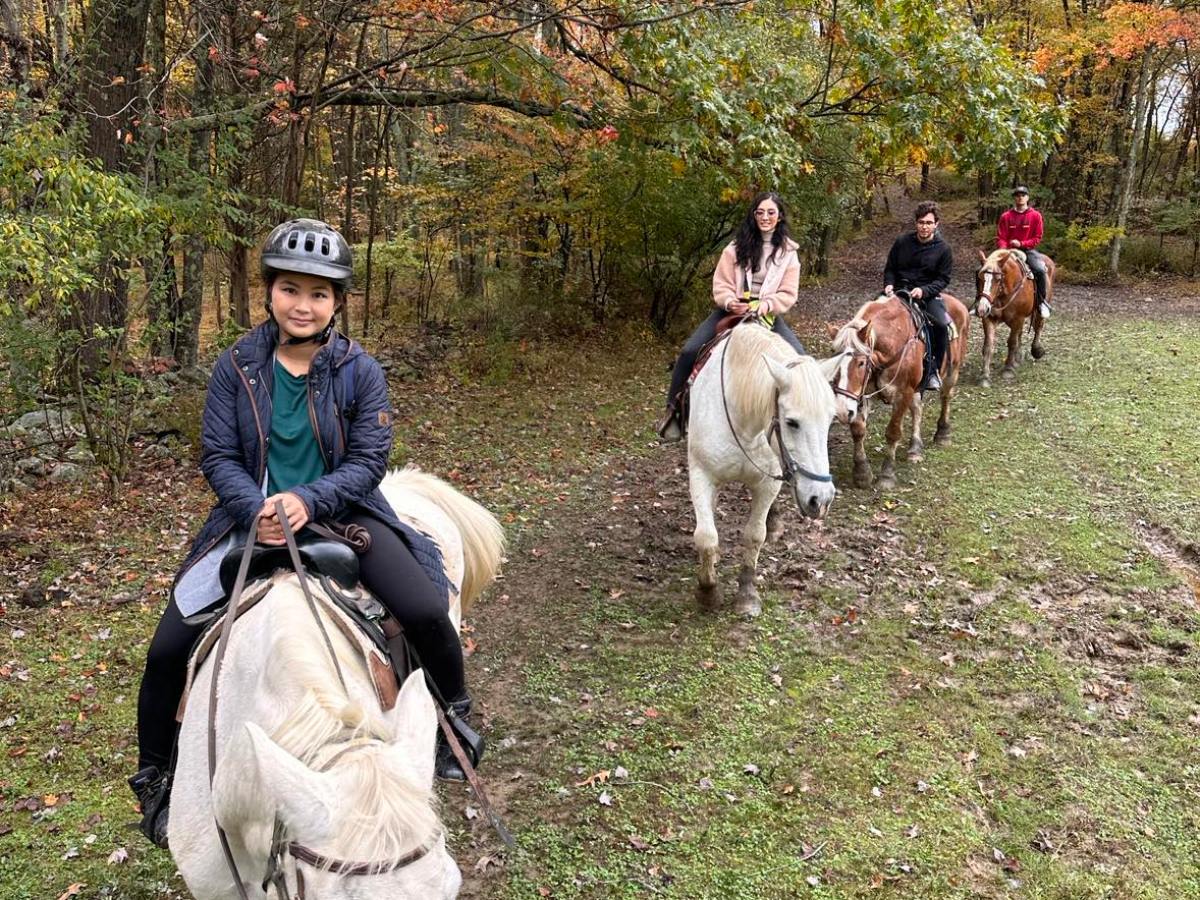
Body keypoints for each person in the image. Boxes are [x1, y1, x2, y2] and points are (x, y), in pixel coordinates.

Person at [128, 218, 479, 848]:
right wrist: (253, 507)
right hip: (249, 518)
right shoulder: (236, 366)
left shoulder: (358, 370)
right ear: (269, 292)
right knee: (165, 648)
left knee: (426, 606)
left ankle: (455, 716)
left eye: (319, 294)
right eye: (291, 289)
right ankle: (156, 773)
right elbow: (218, 454)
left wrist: (306, 498)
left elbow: (370, 458)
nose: (303, 305)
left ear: (337, 302)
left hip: (347, 512)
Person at [657, 192, 807, 441]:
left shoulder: (789, 254)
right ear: (753, 215)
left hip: (767, 315)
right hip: (730, 311)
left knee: (800, 360)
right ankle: (674, 412)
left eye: (771, 213)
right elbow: (721, 285)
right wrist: (730, 302)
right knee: (689, 351)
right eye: (760, 213)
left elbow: (789, 293)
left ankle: (805, 419)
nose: (765, 217)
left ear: (779, 217)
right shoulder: (735, 248)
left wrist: (766, 305)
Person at [883, 201, 954, 392]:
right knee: (871, 315)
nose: (924, 226)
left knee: (940, 324)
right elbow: (890, 268)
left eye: (929, 223)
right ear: (916, 223)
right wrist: (889, 284)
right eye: (921, 222)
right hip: (898, 292)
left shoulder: (944, 249)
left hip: (926, 295)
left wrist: (924, 290)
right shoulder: (901, 243)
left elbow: (943, 279)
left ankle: (932, 370)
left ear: (936, 224)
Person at [997, 185, 1050, 319]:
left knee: (1039, 270)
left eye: (1023, 195)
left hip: (1027, 251)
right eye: (1017, 195)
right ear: (1014, 198)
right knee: (983, 269)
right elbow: (1001, 237)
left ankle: (1041, 302)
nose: (1020, 197)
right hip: (1008, 251)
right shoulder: (1006, 216)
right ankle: (981, 301)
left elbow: (1037, 237)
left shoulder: (1035, 216)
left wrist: (1022, 243)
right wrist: (1003, 250)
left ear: (1027, 197)